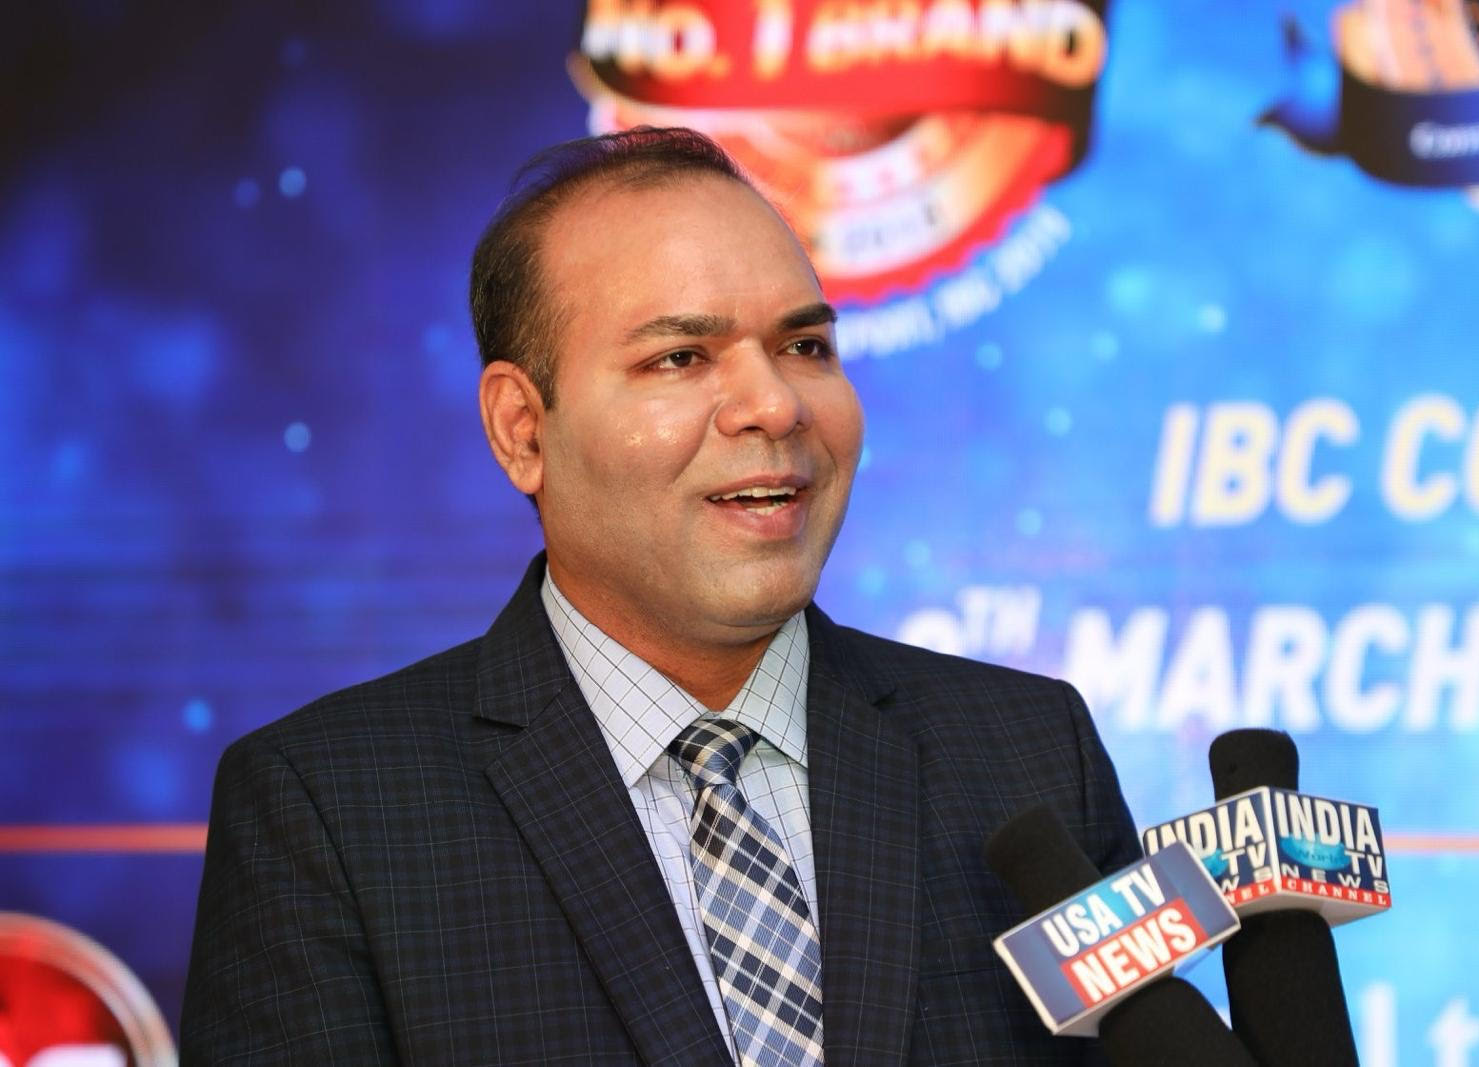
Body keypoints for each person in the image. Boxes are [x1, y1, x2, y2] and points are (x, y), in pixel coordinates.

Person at [182, 127, 1140, 1065]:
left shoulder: (1030, 754)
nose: (776, 405)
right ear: (522, 430)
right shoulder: (329, 812)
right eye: (681, 357)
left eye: (805, 346)